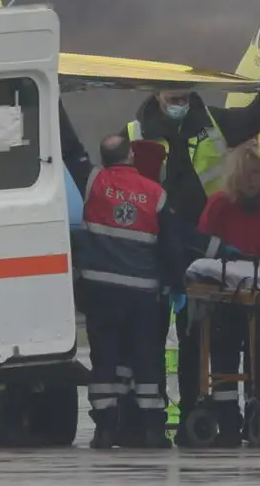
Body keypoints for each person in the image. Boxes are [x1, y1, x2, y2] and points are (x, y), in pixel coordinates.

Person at [120, 85, 260, 444]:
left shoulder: (212, 121)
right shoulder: (135, 132)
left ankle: (211, 410)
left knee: (208, 333)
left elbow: (254, 117)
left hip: (209, 237)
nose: (180, 105)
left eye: (184, 98)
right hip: (159, 240)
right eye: (173, 99)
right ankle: (170, 412)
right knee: (168, 337)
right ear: (157, 95)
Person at [79, 134, 182, 449]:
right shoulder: (156, 193)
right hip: (142, 294)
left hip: (100, 291)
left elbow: (71, 149)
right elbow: (172, 249)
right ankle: (152, 429)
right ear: (130, 158)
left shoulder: (94, 182)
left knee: (105, 361)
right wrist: (176, 283)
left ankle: (106, 429)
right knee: (146, 358)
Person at [197, 143, 260, 447]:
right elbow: (205, 244)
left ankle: (257, 409)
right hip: (226, 294)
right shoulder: (220, 204)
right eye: (247, 176)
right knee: (223, 353)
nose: (253, 182)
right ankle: (227, 420)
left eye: (258, 175)